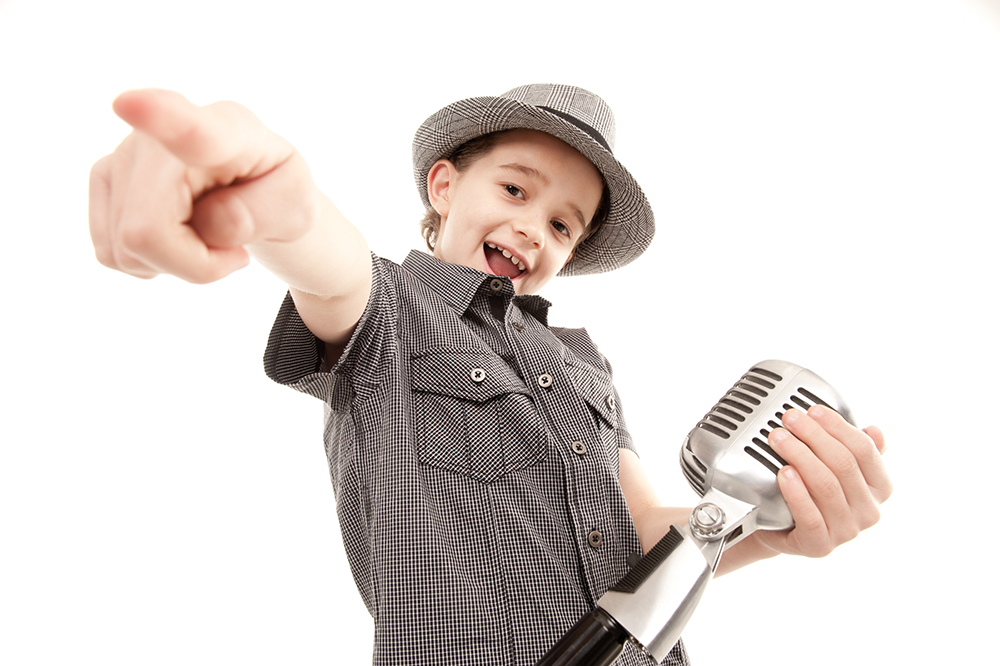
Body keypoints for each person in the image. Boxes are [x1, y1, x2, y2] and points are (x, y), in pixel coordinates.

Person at [89, 84, 892, 665]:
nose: (531, 229)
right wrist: (280, 203)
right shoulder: (390, 307)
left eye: (562, 225)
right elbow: (328, 265)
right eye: (515, 189)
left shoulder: (586, 367)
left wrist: (768, 529)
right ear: (444, 186)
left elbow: (643, 533)